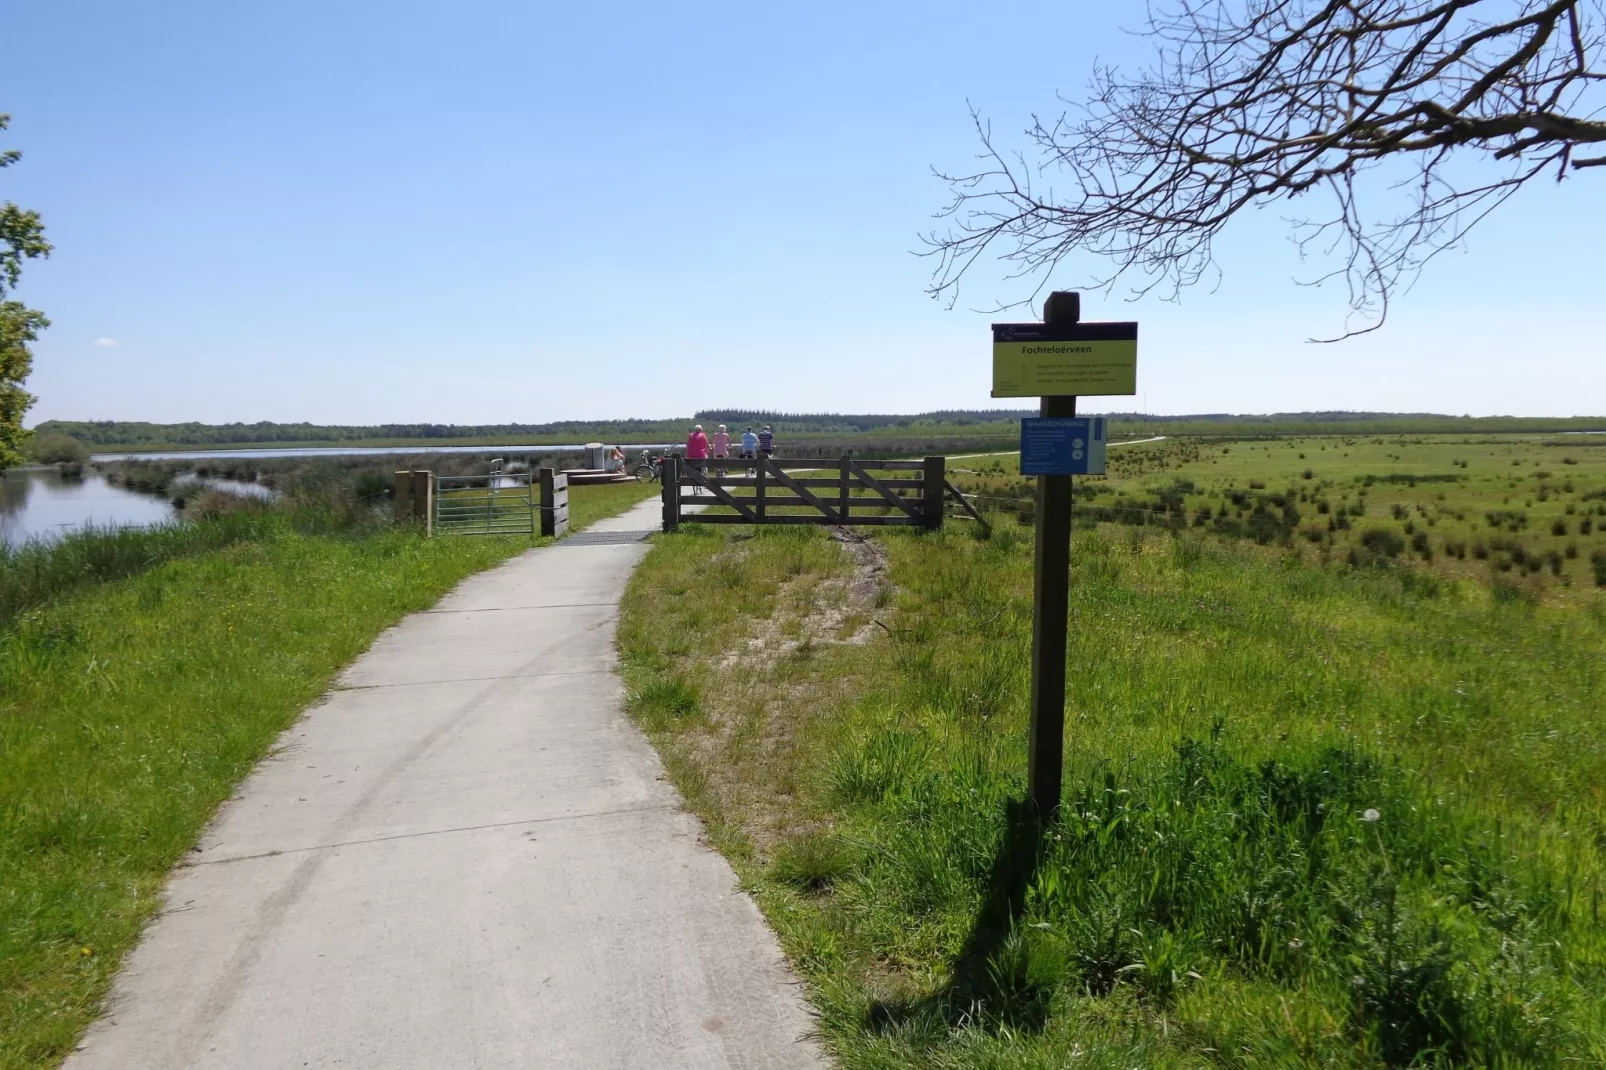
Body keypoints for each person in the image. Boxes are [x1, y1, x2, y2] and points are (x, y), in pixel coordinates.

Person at [685, 424, 710, 493]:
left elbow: (687, 446)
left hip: (691, 456)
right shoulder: (703, 435)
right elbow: (707, 445)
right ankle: (704, 473)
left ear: (695, 430)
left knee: (692, 466)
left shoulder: (690, 435)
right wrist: (710, 449)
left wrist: (687, 454)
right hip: (701, 455)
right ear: (701, 430)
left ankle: (693, 476)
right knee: (706, 459)